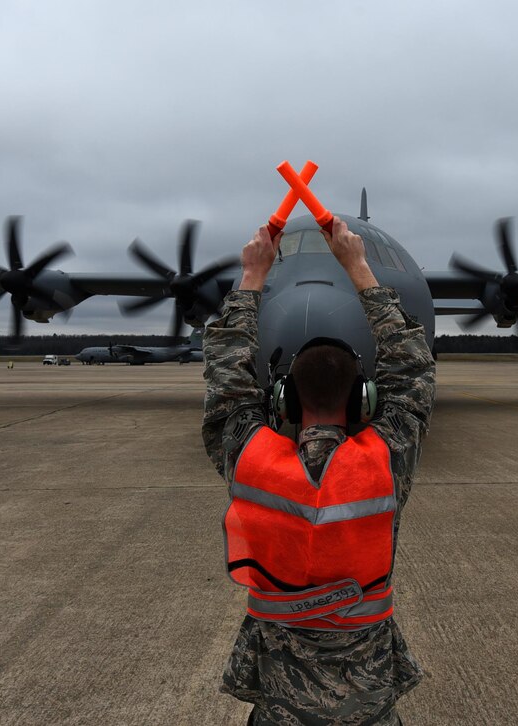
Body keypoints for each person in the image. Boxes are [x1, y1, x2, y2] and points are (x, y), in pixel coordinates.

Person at [202, 216, 436, 725]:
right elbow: (413, 367)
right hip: (368, 700)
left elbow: (226, 376)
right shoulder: (385, 461)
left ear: (282, 402)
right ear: (363, 401)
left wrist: (252, 276)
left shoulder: (250, 459)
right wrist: (358, 267)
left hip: (279, 704)